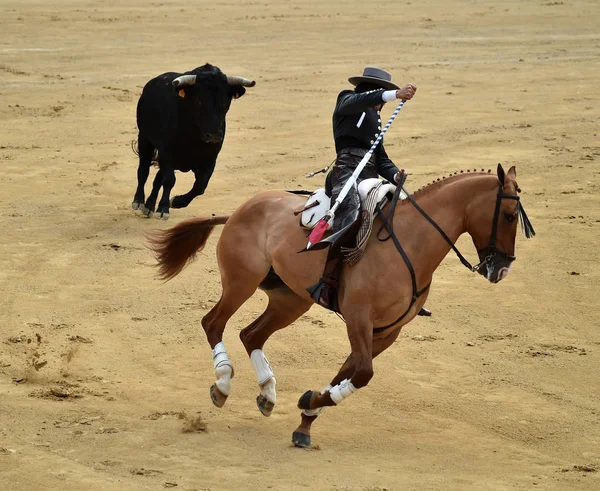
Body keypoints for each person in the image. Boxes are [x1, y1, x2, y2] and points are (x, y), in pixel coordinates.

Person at [307, 66, 431, 317]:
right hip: (345, 171)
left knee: (403, 215)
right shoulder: (346, 99)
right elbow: (359, 100)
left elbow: (381, 158)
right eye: (381, 94)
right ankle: (329, 283)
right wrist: (394, 95)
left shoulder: (376, 122)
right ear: (373, 91)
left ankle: (402, 287)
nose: (382, 101)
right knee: (349, 207)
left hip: (369, 176)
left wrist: (395, 174)